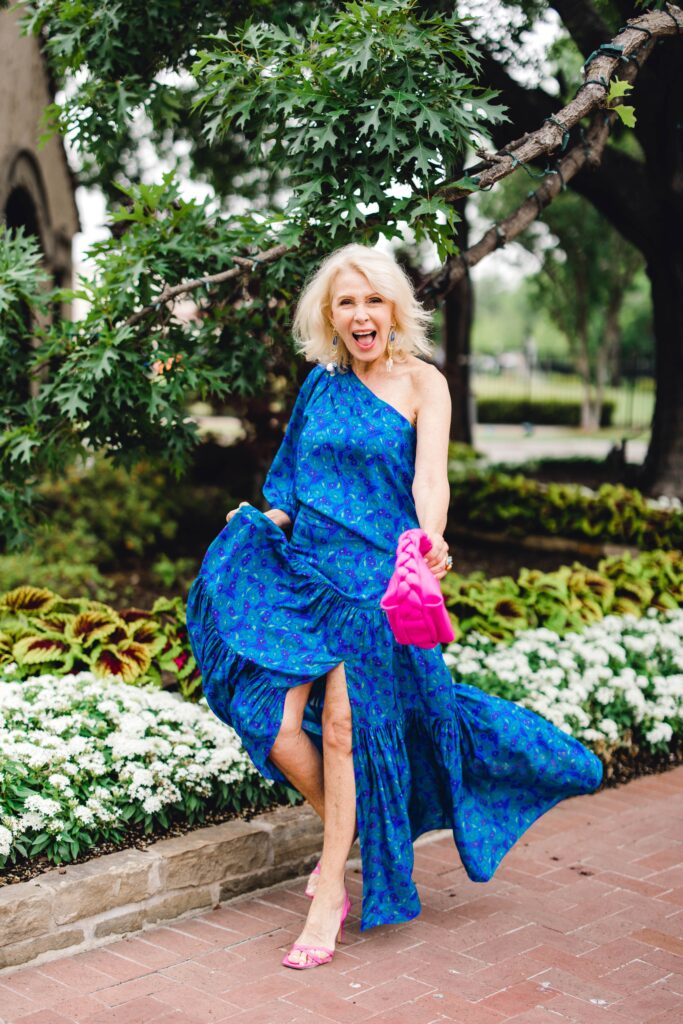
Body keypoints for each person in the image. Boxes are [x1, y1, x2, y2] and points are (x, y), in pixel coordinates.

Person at [185, 243, 604, 971]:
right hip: (307, 575)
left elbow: (430, 481)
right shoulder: (321, 385)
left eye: (371, 300)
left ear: (393, 308)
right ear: (330, 315)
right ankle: (365, 837)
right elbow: (287, 483)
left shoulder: (422, 384)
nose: (359, 315)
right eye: (345, 303)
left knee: (346, 732)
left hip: (376, 582)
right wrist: (257, 522)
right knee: (276, 724)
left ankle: (328, 892)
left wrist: (430, 539)